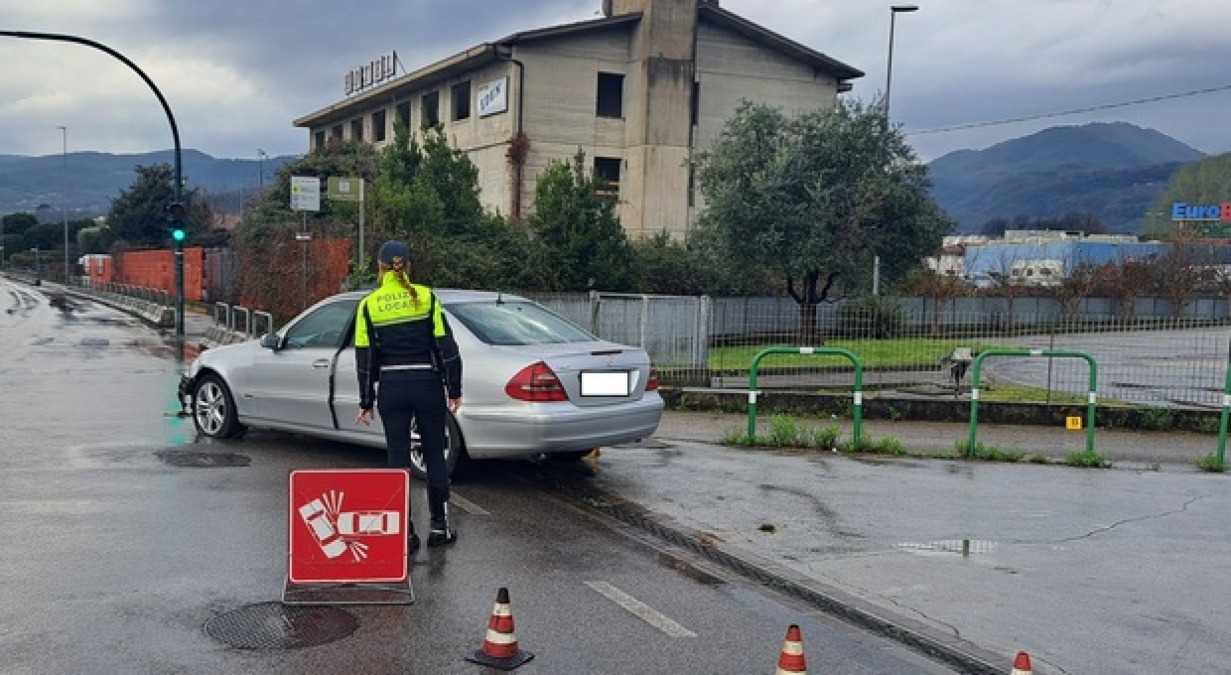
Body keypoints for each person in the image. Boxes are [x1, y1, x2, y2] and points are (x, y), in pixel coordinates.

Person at [354, 240, 463, 551]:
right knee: (433, 456)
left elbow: (365, 359)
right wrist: (454, 389)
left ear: (380, 267)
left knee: (397, 458)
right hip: (427, 384)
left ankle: (405, 532)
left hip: (392, 387)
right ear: (409, 267)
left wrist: (366, 401)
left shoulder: (369, 305)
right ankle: (439, 528)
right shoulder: (427, 298)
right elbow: (448, 349)